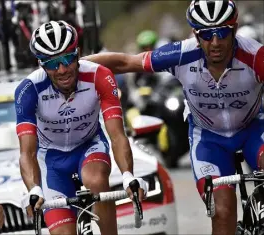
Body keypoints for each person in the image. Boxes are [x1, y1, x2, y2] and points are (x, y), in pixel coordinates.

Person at [81, 1, 264, 234]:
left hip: (252, 129)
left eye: (222, 32)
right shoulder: (181, 54)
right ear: (195, 35)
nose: (215, 42)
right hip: (209, 140)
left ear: (234, 29)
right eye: (207, 34)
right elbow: (127, 62)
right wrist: (75, 65)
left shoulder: (255, 55)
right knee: (223, 210)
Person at [14, 20, 147, 235]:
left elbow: (117, 135)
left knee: (95, 180)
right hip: (50, 160)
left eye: (67, 58)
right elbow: (27, 151)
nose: (62, 69)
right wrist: (34, 189)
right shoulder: (28, 90)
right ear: (41, 65)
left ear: (78, 53)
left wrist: (128, 175)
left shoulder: (99, 76)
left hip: (89, 146)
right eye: (52, 63)